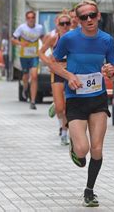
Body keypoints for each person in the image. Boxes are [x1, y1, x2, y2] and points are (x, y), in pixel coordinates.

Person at [49, 0, 114, 207]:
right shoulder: (69, 39)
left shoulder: (107, 40)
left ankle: (89, 190)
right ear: (78, 20)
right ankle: (74, 145)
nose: (89, 19)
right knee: (82, 150)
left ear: (98, 16)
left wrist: (111, 72)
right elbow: (53, 63)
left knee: (96, 149)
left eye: (92, 15)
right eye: (83, 17)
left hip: (97, 98)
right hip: (76, 99)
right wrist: (69, 75)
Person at [39, 12, 72, 145]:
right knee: (60, 108)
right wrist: (49, 64)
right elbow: (41, 52)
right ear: (57, 25)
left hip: (72, 72)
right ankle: (61, 123)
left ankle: (65, 133)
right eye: (62, 23)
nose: (64, 26)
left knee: (70, 106)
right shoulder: (53, 38)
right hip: (57, 72)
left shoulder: (75, 37)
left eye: (67, 23)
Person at [12, 10, 45, 109]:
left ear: (35, 18)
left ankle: (33, 101)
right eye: (29, 18)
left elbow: (43, 39)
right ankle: (25, 88)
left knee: (34, 76)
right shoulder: (22, 28)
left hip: (34, 55)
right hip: (24, 56)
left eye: (32, 17)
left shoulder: (39, 28)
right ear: (26, 19)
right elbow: (12, 39)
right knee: (26, 76)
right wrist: (20, 43)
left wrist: (45, 49)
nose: (31, 19)